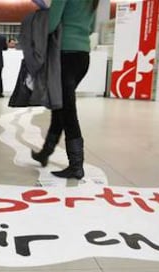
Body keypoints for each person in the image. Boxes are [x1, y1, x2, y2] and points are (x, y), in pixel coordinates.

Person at [31, 0, 99, 179]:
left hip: (65, 55)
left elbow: (51, 24)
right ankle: (45, 152)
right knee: (60, 105)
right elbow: (91, 28)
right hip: (82, 55)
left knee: (67, 109)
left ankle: (76, 165)